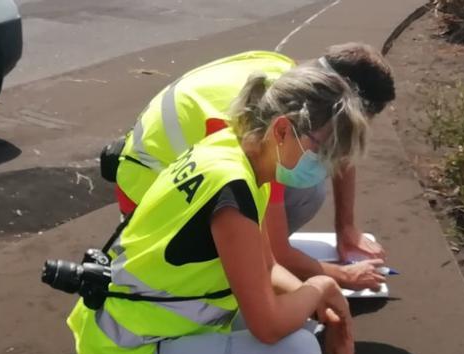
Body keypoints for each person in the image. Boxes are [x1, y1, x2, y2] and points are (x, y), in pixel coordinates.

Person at [69, 67, 368, 354]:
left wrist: (331, 297)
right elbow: (266, 323)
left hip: (118, 338)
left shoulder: (233, 150)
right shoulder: (234, 190)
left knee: (302, 322)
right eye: (325, 152)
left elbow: (266, 268)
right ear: (283, 130)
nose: (328, 167)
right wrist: (320, 289)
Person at [110, 43, 394, 291]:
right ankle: (229, 269)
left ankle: (243, 256)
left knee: (307, 190)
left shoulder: (295, 83)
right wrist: (339, 276)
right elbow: (277, 258)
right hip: (147, 196)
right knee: (257, 281)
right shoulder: (277, 126)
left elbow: (338, 145)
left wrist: (347, 228)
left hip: (176, 167)